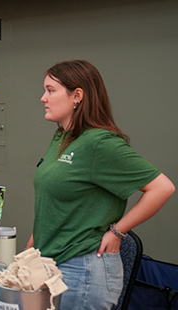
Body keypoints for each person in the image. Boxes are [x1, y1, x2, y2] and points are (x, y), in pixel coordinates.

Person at [27, 60, 175, 310]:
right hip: (52, 264)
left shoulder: (99, 142)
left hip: (83, 271)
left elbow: (162, 188)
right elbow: (54, 202)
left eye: (51, 90)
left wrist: (118, 231)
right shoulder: (62, 137)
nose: (43, 98)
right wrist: (31, 249)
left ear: (77, 96)